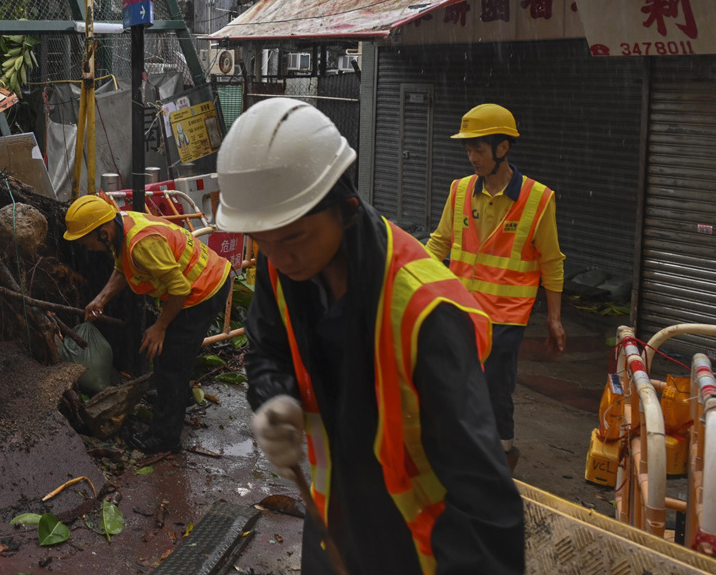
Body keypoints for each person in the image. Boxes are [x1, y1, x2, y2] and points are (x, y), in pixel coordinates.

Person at [215, 98, 524, 575]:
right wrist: (273, 399)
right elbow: (266, 351)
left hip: (418, 549)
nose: (277, 258)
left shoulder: (426, 313)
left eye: (293, 238)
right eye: (263, 241)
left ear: (347, 209)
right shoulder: (284, 270)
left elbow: (484, 499)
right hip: (331, 528)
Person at [426, 103, 566, 471]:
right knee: (453, 380)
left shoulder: (538, 200)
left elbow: (551, 260)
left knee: (494, 389)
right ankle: (460, 452)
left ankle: (501, 458)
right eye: (468, 148)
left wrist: (555, 318)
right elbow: (439, 243)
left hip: (506, 318)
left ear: (502, 148)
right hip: (459, 310)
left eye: (479, 148)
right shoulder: (459, 191)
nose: (472, 157)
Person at [63, 193, 231, 454]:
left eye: (86, 241)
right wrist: (101, 299)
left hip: (202, 290)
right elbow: (123, 267)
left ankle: (165, 439)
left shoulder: (142, 244)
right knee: (169, 357)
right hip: (199, 284)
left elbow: (180, 288)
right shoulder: (121, 226)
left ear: (103, 233)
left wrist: (160, 327)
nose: (86, 247)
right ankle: (178, 398)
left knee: (171, 361)